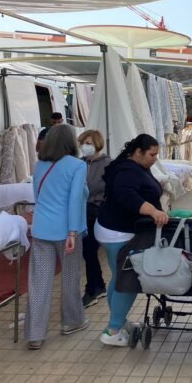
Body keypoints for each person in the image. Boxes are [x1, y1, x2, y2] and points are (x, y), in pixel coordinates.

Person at [95, 134, 169, 347]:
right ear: (138, 152)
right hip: (118, 232)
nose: (155, 158)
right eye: (152, 154)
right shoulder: (127, 172)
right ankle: (113, 330)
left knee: (119, 277)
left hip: (113, 230)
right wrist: (154, 211)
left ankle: (118, 322)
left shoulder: (131, 166)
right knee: (129, 281)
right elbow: (128, 197)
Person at [26, 124, 89, 350]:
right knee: (70, 277)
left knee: (39, 282)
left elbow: (37, 195)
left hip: (41, 228)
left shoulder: (40, 165)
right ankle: (72, 321)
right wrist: (72, 231)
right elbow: (74, 200)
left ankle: (35, 334)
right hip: (67, 231)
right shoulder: (78, 165)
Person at [77, 129, 111, 308]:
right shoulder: (80, 163)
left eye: (88, 143)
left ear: (97, 144)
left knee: (89, 250)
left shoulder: (107, 164)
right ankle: (97, 286)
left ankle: (93, 288)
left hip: (97, 211)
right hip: (81, 212)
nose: (85, 146)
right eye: (83, 143)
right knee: (88, 252)